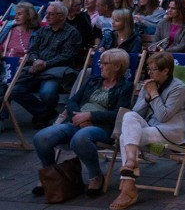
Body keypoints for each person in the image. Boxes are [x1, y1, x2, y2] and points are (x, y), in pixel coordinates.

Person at [32, 49, 132, 198]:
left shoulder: (126, 87)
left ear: (117, 66)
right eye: (100, 63)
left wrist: (90, 116)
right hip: (76, 121)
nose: (100, 66)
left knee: (80, 139)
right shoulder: (93, 81)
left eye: (105, 63)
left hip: (102, 127)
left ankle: (95, 176)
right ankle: (50, 174)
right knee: (41, 137)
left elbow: (118, 114)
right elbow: (72, 101)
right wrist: (77, 116)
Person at [109, 51, 185, 210]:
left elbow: (163, 116)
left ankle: (128, 186)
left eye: (153, 70)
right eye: (148, 70)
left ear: (165, 71)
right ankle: (131, 162)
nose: (150, 73)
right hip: (151, 126)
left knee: (126, 136)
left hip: (169, 131)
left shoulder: (179, 88)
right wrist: (146, 98)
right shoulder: (150, 84)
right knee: (129, 116)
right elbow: (137, 114)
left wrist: (153, 93)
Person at [10, 2, 82, 129]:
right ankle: (44, 113)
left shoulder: (72, 33)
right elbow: (32, 50)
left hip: (54, 72)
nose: (46, 16)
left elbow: (67, 55)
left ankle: (43, 115)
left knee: (47, 93)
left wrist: (45, 63)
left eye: (50, 14)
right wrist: (36, 60)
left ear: (61, 16)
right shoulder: (43, 30)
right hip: (36, 68)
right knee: (14, 89)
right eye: (46, 13)